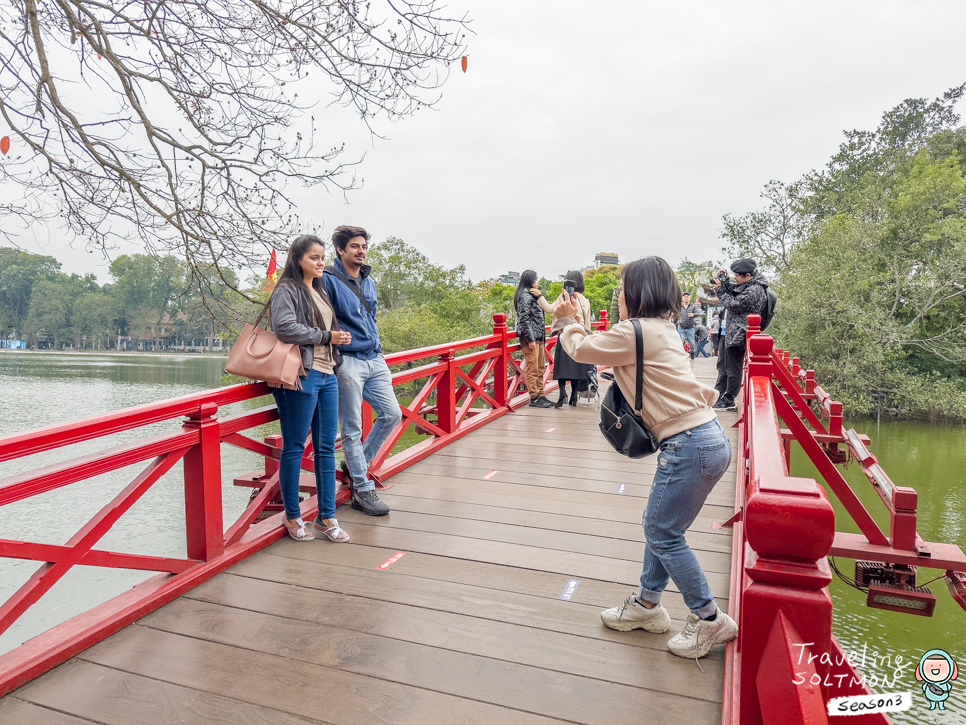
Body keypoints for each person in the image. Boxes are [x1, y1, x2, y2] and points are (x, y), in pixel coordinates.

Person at [557, 256, 737, 660]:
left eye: (621, 287)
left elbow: (582, 349)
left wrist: (568, 321)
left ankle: (709, 620)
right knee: (664, 528)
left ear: (636, 294)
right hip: (707, 439)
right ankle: (647, 605)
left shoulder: (633, 331)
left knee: (662, 532)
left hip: (688, 445)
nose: (618, 294)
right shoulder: (663, 329)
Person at [268, 234, 352, 543]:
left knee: (326, 448)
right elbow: (284, 327)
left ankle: (326, 517)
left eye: (321, 257)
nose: (320, 263)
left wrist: (336, 341)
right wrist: (327, 336)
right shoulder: (287, 290)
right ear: (298, 259)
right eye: (313, 258)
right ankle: (292, 516)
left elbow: (325, 330)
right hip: (302, 375)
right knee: (293, 447)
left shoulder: (318, 289)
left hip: (328, 374)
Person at [322, 225, 400, 516]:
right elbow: (323, 317)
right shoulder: (328, 280)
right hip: (348, 361)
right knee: (352, 429)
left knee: (392, 414)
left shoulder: (369, 281)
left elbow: (372, 315)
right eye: (354, 246)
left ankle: (357, 464)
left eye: (364, 246)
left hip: (374, 358)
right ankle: (362, 489)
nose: (361, 251)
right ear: (341, 250)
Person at [712, 258, 769, 412]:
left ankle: (729, 399)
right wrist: (724, 282)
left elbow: (733, 304)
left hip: (739, 333)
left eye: (737, 275)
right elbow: (734, 290)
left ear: (747, 275)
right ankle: (717, 396)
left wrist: (719, 290)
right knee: (722, 366)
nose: (735, 278)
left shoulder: (756, 290)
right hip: (730, 332)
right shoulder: (747, 285)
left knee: (732, 368)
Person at [534, 270, 592, 408]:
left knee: (561, 368)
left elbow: (549, 309)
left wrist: (539, 296)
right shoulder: (585, 301)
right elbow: (588, 322)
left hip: (565, 334)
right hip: (580, 335)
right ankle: (573, 397)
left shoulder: (563, 297)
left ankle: (562, 394)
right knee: (576, 368)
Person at [514, 270, 553, 408]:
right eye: (536, 279)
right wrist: (530, 339)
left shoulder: (532, 294)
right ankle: (534, 397)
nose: (538, 281)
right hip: (530, 338)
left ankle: (541, 394)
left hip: (538, 336)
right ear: (530, 280)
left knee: (540, 367)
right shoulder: (524, 296)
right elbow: (524, 319)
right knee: (533, 368)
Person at [676, 292, 699, 359]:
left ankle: (691, 352)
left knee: (692, 343)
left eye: (687, 297)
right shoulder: (679, 306)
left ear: (689, 298)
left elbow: (698, 313)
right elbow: (676, 313)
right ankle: (680, 355)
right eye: (685, 297)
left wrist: (693, 314)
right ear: (682, 298)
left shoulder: (693, 306)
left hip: (690, 327)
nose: (686, 298)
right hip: (681, 326)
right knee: (681, 341)